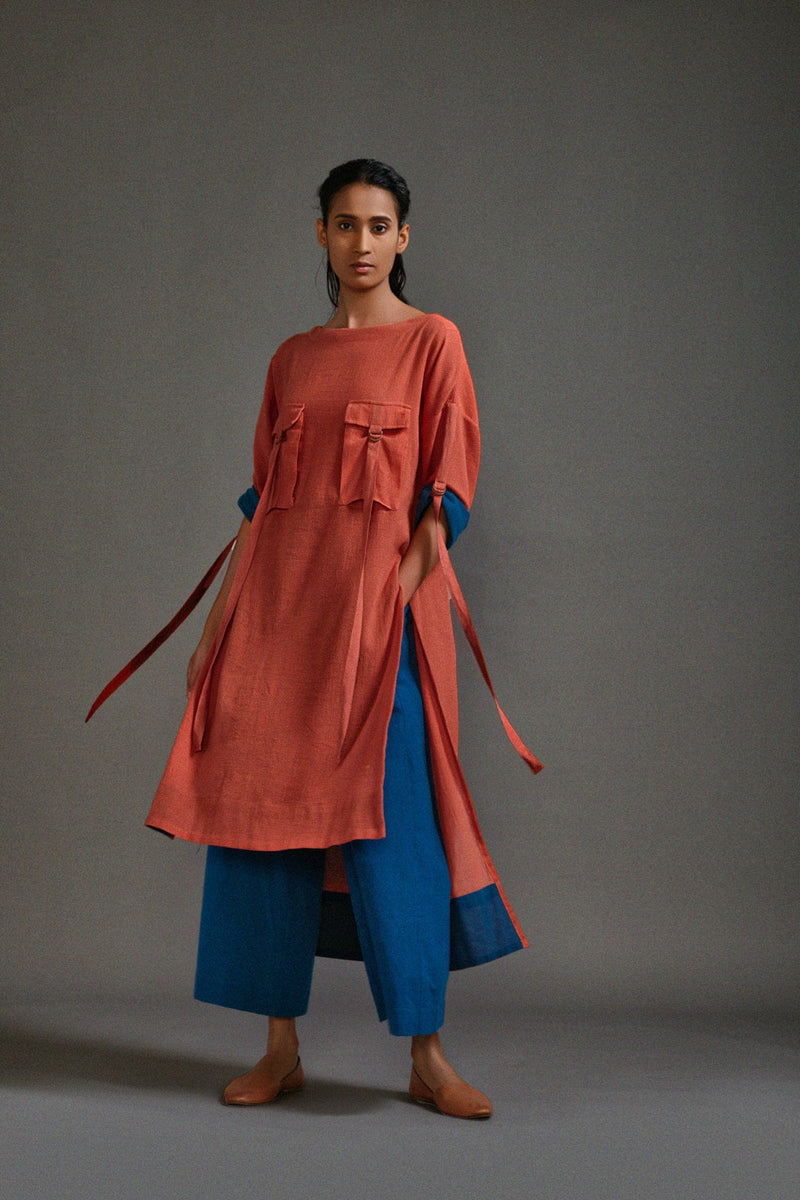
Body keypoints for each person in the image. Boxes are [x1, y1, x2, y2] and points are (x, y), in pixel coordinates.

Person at [142, 159, 542, 1119]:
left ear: (404, 237)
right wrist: (215, 631)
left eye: (379, 225)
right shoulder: (291, 359)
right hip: (276, 623)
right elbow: (261, 511)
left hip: (380, 622)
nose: (363, 242)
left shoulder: (434, 342)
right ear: (319, 235)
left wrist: (393, 604)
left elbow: (447, 498)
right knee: (262, 823)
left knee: (396, 826)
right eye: (345, 224)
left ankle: (427, 1056)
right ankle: (278, 1050)